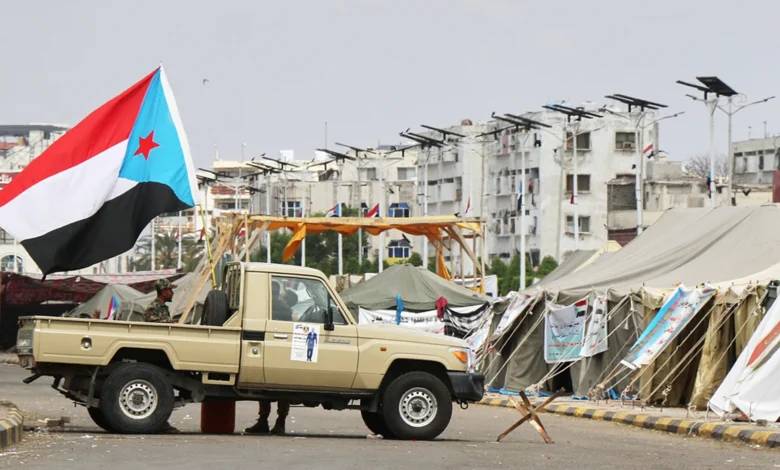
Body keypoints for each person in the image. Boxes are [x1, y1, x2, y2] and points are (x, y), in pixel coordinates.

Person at [245, 282, 292, 435]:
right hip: (282, 350)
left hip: (269, 348)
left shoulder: (264, 306)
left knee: (264, 388)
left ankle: (264, 420)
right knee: (283, 388)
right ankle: (280, 422)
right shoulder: (283, 307)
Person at [144, 278, 179, 433]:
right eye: (170, 290)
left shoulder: (163, 308)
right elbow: (155, 325)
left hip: (162, 353)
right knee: (161, 389)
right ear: (164, 291)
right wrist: (172, 323)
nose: (172, 292)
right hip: (154, 354)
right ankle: (159, 421)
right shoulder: (154, 307)